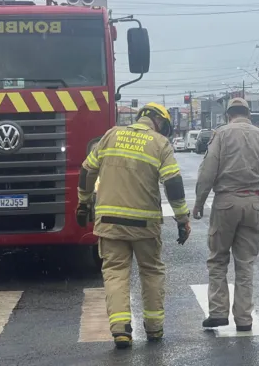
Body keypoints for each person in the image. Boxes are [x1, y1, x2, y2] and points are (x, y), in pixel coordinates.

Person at [77, 102, 191, 349]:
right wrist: (183, 219)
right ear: (159, 122)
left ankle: (120, 330)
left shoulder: (110, 135)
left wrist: (83, 203)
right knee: (151, 272)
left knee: (116, 273)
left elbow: (87, 171)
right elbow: (173, 184)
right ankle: (154, 329)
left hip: (109, 222)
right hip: (144, 224)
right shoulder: (160, 144)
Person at [193, 97, 259, 331]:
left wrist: (199, 202)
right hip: (252, 203)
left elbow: (207, 173)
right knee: (245, 264)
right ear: (248, 115)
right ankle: (244, 318)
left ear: (228, 115)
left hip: (225, 203)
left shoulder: (221, 135)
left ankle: (218, 312)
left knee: (218, 259)